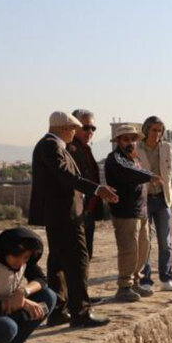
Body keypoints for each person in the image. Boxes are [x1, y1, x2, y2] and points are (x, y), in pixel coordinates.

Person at [29, 111, 116, 328]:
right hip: (64, 215)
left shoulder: (54, 146)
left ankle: (58, 310)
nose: (75, 133)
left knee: (58, 263)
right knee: (78, 261)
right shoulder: (50, 145)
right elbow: (66, 177)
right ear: (64, 128)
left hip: (61, 215)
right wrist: (97, 189)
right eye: (74, 129)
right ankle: (80, 313)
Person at [105, 124, 161, 303]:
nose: (130, 142)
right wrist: (150, 176)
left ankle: (135, 282)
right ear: (118, 141)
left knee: (143, 248)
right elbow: (129, 173)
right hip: (125, 213)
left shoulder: (134, 159)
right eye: (126, 139)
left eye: (133, 139)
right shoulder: (115, 159)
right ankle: (124, 286)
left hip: (140, 211)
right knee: (129, 250)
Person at [137, 116, 172, 292]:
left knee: (165, 241)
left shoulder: (166, 147)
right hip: (144, 199)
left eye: (160, 130)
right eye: (154, 130)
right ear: (146, 130)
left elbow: (169, 170)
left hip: (162, 198)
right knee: (145, 241)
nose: (157, 134)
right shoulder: (137, 148)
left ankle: (166, 278)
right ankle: (145, 280)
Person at [66, 110, 103, 260]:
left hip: (88, 210)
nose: (90, 132)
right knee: (77, 257)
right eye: (86, 127)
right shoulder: (69, 149)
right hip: (76, 211)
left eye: (93, 128)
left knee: (86, 256)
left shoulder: (85, 149)